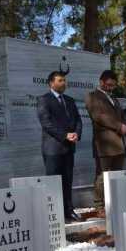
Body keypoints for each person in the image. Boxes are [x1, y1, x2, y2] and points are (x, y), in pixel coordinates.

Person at [37, 71, 82, 222]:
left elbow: (78, 120)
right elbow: (46, 123)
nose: (64, 83)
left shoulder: (69, 100)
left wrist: (76, 134)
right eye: (60, 80)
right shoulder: (44, 99)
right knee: (53, 183)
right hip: (53, 149)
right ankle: (54, 214)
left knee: (68, 181)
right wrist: (65, 135)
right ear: (51, 83)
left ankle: (69, 211)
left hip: (69, 148)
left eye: (65, 80)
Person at [85, 70, 126, 214]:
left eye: (113, 86)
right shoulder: (92, 96)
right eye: (109, 85)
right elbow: (98, 116)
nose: (111, 88)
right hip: (103, 145)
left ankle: (114, 203)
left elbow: (122, 115)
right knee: (102, 176)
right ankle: (99, 206)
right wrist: (118, 126)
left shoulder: (114, 99)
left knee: (116, 176)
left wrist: (125, 125)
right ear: (101, 82)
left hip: (119, 144)